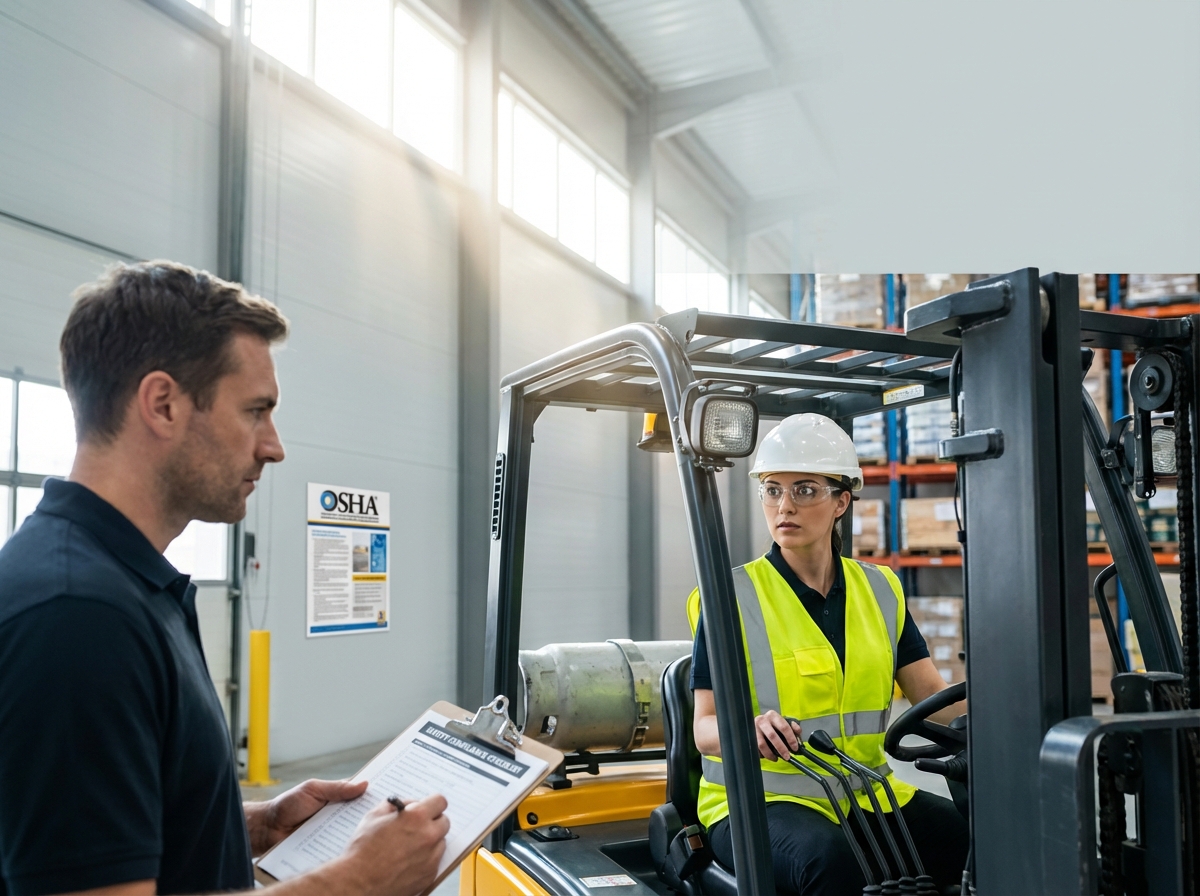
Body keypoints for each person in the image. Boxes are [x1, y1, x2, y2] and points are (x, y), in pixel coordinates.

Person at [0, 262, 449, 895]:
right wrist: (359, 882)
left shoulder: (123, 586)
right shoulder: (77, 617)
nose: (274, 446)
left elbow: (111, 833)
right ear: (163, 405)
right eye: (256, 411)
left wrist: (254, 825)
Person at [688, 413, 969, 895]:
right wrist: (747, 729)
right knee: (831, 863)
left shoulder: (880, 590)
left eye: (804, 490)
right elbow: (704, 727)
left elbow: (935, 701)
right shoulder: (730, 595)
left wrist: (1011, 714)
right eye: (772, 489)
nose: (784, 506)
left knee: (973, 840)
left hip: (865, 795)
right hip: (759, 801)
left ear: (841, 501)